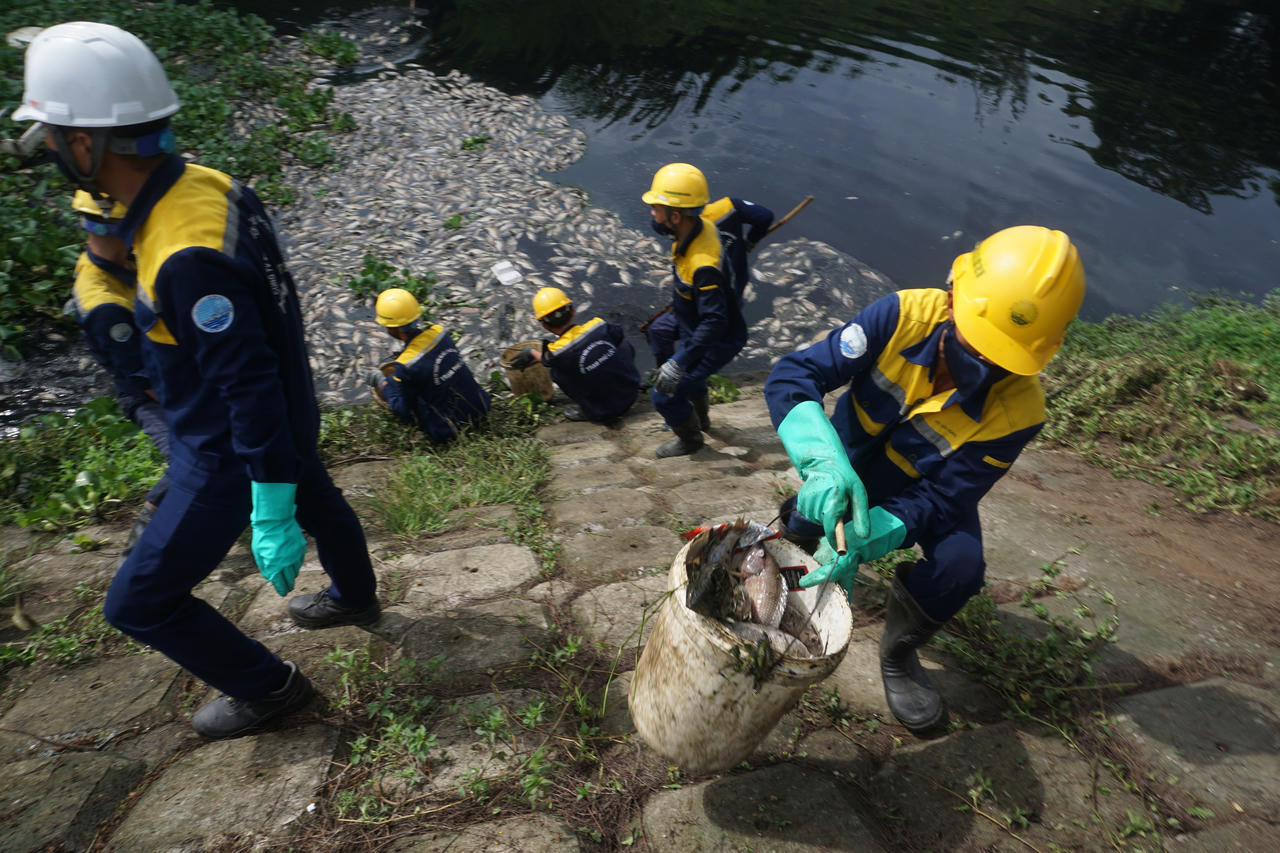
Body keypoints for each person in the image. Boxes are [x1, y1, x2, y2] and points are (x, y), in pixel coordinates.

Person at [16, 21, 381, 740]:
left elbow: (244, 383)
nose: (50, 150)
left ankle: (270, 687)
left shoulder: (181, 256)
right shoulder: (210, 186)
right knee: (322, 500)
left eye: (51, 136)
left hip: (225, 452)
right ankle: (354, 596)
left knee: (137, 602)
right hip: (287, 415)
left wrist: (266, 505)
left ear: (85, 143)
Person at [764, 225, 1086, 733]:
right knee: (807, 519)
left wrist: (876, 533)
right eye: (981, 341)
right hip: (845, 460)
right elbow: (794, 375)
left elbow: (946, 496)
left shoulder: (1021, 413)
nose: (986, 361)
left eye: (1006, 355)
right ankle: (797, 522)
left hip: (918, 487)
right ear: (953, 297)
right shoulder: (899, 316)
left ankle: (899, 651)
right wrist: (822, 462)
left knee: (961, 567)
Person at [67, 191, 171, 560]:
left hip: (167, 372)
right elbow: (144, 380)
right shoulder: (104, 306)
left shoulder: (122, 260)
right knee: (191, 458)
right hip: (149, 394)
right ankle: (142, 544)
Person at [643, 163, 748, 457]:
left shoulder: (703, 267)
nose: (652, 213)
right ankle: (700, 419)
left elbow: (714, 321)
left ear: (676, 216)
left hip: (714, 339)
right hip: (694, 324)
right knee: (680, 362)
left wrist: (678, 362)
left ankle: (690, 439)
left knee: (663, 394)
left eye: (657, 208)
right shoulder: (702, 227)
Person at [647, 194, 774, 366]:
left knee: (696, 336)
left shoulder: (698, 255)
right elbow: (765, 217)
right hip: (733, 290)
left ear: (676, 219)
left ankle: (676, 369)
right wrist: (750, 242)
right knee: (665, 330)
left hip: (710, 296)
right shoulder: (727, 207)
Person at [371, 287, 490, 440]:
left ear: (390, 328)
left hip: (449, 429)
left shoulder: (405, 365)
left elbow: (404, 410)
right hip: (482, 406)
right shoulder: (440, 332)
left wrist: (383, 385)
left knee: (394, 385)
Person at [520, 286, 640, 423]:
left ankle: (592, 410)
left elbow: (545, 360)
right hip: (631, 392)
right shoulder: (598, 325)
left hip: (606, 410)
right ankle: (625, 380)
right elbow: (618, 334)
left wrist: (530, 352)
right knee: (621, 343)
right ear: (572, 311)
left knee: (556, 372)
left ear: (544, 326)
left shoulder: (557, 351)